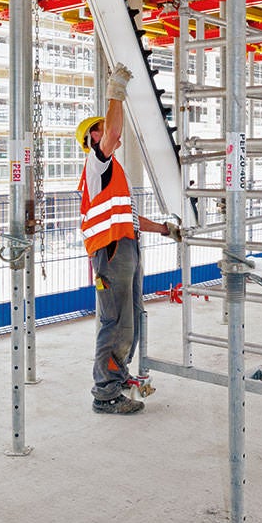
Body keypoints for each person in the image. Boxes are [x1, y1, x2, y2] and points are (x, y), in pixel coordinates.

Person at [76, 62, 180, 415]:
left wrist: (165, 229)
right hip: (111, 252)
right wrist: (115, 93)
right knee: (115, 322)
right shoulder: (97, 165)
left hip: (125, 247)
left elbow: (130, 219)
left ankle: (116, 382)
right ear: (92, 139)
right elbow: (111, 133)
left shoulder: (113, 171)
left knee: (130, 319)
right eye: (102, 130)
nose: (111, 132)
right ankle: (104, 393)